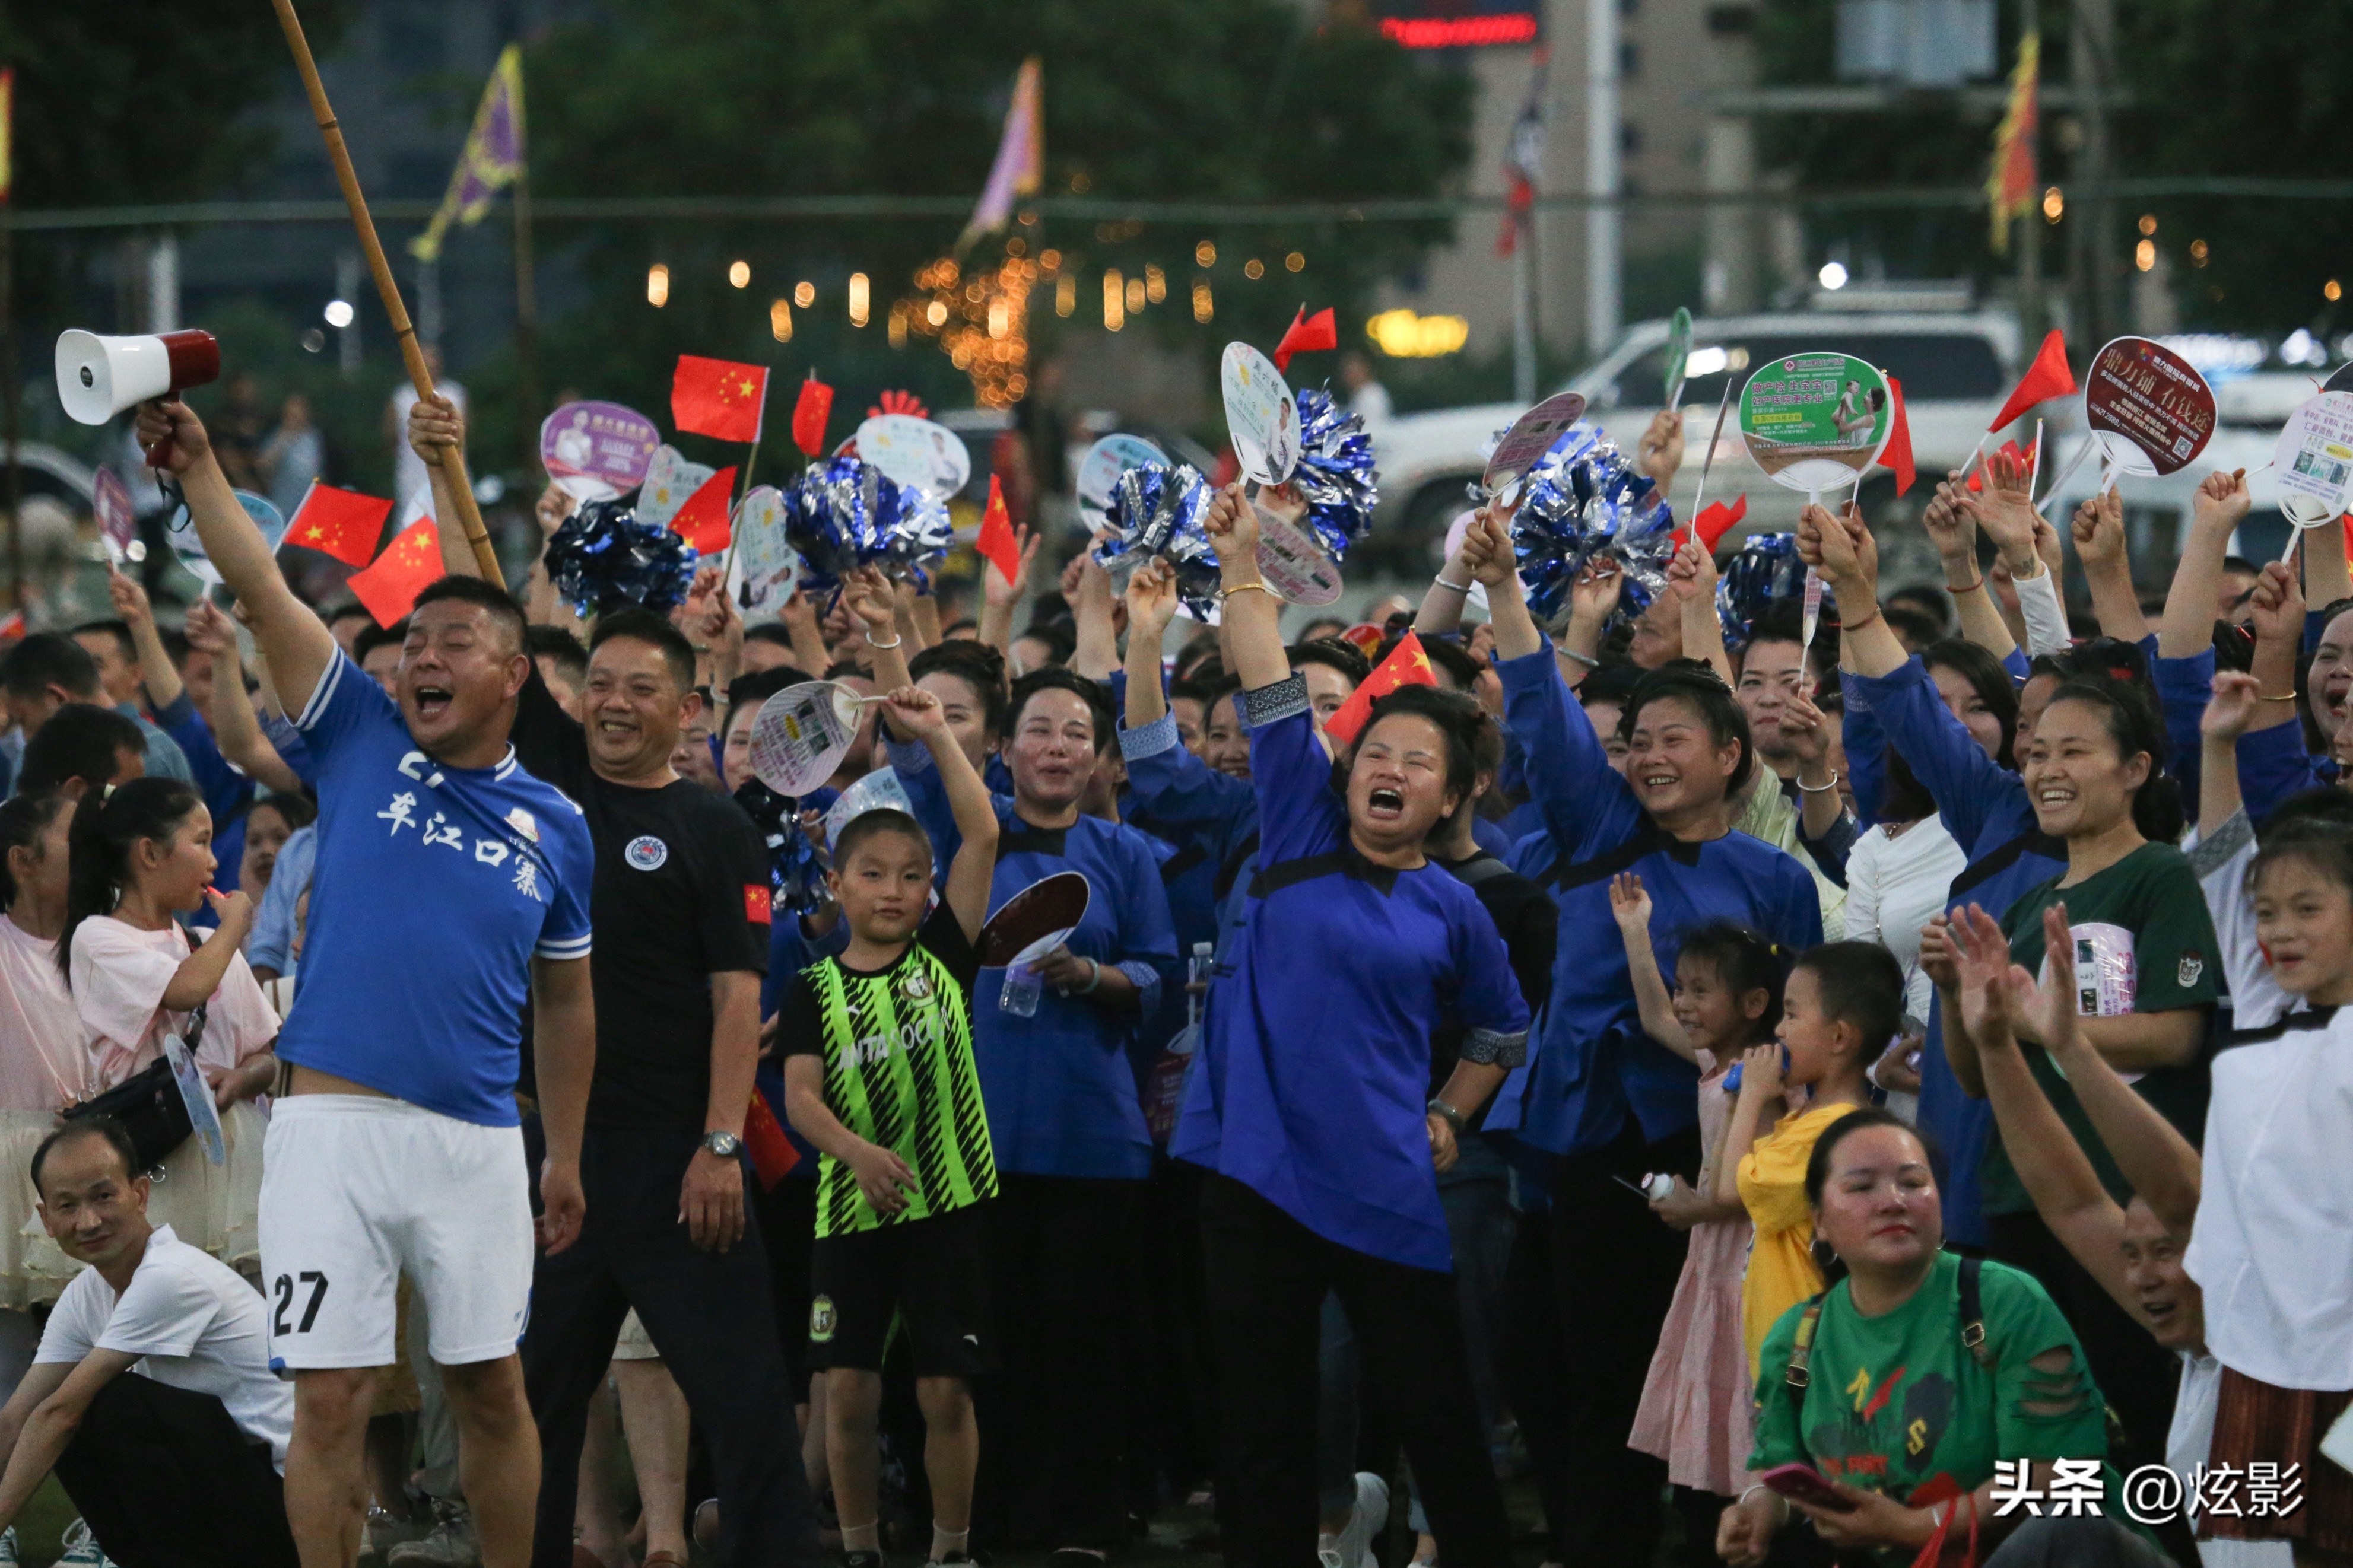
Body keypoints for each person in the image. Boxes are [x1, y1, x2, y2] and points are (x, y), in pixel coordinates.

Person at [135, 396, 596, 1568]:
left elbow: (566, 999)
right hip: (327, 1134)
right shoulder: (358, 734)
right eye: (415, 639)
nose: (423, 655)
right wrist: (199, 471)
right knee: (330, 1397)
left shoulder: (558, 823)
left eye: (454, 641)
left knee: (490, 1385)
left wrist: (563, 1153)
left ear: (514, 674)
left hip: (475, 1140)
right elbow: (265, 587)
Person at [403, 395, 821, 1568]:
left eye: (645, 686)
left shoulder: (712, 826)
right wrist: (445, 464)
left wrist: (720, 1144)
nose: (617, 701)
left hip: (680, 1162)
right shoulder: (546, 778)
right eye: (603, 681)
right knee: (527, 1401)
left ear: (688, 710)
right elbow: (487, 612)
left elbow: (737, 996)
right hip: (555, 1163)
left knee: (745, 1402)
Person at [1174, 485, 1530, 1568]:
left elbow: (1500, 1028)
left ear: (1454, 795)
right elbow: (1268, 679)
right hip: (1255, 1174)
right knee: (1264, 1423)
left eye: (1420, 762)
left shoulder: (1456, 906)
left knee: (1438, 1412)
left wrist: (1449, 1114)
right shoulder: (1295, 823)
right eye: (1378, 752)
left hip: (1383, 1180)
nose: (1392, 770)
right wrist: (1242, 561)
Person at [1463, 505, 1822, 1567]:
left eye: (1675, 739)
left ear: (1732, 755)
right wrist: (1504, 590)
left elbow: (1799, 1025)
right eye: (1638, 741)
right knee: (1600, 1381)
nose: (1650, 757)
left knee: (1727, 1370)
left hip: (1725, 1152)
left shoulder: (1777, 879)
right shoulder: (1597, 825)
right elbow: (1543, 712)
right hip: (1594, 1142)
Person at [869, 605, 1178, 1562]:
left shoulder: (1128, 854)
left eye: (1076, 734)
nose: (1056, 747)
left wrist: (1093, 976)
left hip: (1093, 1140)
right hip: (973, 1137)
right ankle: (978, 1523)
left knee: (1081, 1346)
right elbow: (915, 754)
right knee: (972, 1347)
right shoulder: (971, 832)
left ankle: (1082, 1524)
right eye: (1037, 729)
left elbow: (1160, 976)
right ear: (1003, 749)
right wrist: (886, 640)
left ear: (1102, 758)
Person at [1930, 673, 2218, 1469]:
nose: (2046, 769)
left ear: (2134, 769)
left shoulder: (2160, 873)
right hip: (2021, 1197)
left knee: (2149, 1422)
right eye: (2037, 753)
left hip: (2125, 1205)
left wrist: (2042, 1027)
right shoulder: (2026, 907)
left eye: (2073, 752)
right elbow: (1978, 1076)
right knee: (2043, 1437)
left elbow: (2173, 1035)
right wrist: (1956, 994)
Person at [1947, 900, 2284, 1568]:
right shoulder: (2198, 1352)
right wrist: (1994, 1044)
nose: (2141, 1276)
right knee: (2063, 1534)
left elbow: (2181, 1197)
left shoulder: (2271, 1335)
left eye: (2166, 1251)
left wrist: (2070, 1045)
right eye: (2130, 1254)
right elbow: (2069, 1202)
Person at [1716, 1109, 2167, 1567]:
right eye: (1861, 1187)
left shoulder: (2002, 1300)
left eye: (1913, 1183)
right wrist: (1757, 1510)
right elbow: (1778, 1471)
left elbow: (2060, 1473)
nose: (1893, 1201)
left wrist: (1917, 1526)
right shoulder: (1797, 1339)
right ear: (1819, 1221)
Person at [780, 686, 999, 1568]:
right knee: (849, 1393)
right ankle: (860, 1548)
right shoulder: (813, 989)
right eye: (871, 873)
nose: (894, 890)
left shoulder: (946, 954)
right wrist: (858, 1154)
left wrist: (938, 733)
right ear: (835, 884)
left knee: (946, 1392)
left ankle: (951, 1550)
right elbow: (801, 1098)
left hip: (951, 1207)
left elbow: (981, 833)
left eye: (912, 875)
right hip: (850, 1214)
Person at [0, 1119, 299, 1568]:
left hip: (284, 1501)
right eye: (67, 1205)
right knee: (72, 1412)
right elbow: (17, 1417)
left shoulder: (170, 1276)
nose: (88, 1221)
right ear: (46, 1219)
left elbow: (58, 1413)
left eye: (103, 1196)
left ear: (140, 1193)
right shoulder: (85, 1293)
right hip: (226, 1479)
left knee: (103, 1403)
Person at [2180, 820, 2353, 1562]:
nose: (2279, 931)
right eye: (2265, 913)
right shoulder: (2264, 1017)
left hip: (2344, 1353)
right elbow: (2221, 863)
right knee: (2301, 1553)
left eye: (2306, 909)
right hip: (2268, 1350)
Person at [1611, 902, 1786, 1560]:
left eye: (1699, 990)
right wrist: (1635, 932)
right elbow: (1656, 1018)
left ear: (1753, 1003)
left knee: (1742, 1392)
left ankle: (1745, 1522)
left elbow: (1755, 1183)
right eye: (1680, 986)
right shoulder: (1718, 1064)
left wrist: (1694, 1208)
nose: (1682, 1003)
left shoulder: (1759, 1080)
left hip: (1744, 1262)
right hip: (1712, 1258)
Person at [58, 778, 280, 1273]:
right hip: (162, 1162)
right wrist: (234, 926)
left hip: (240, 1158)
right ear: (150, 853)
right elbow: (185, 989)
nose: (214, 861)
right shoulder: (98, 938)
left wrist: (244, 1077)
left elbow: (269, 1054)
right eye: (200, 842)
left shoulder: (206, 943)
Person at [1716, 940, 1896, 1372]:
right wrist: (1739, 1103)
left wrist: (1751, 1097)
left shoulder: (1826, 1132)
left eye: (1792, 1014)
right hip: (1791, 1351)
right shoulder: (1807, 1120)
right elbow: (1731, 1172)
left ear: (1839, 1037)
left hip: (1804, 1356)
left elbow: (1729, 1192)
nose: (1779, 1030)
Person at [0, 794, 89, 1385]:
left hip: (94, 1159)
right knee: (10, 1359)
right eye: (73, 838)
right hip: (9, 1172)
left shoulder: (103, 943)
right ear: (23, 861)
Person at [2, 635, 190, 788]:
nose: (25, 738)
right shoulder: (163, 749)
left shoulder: (147, 757)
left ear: (57, 698)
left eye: (23, 721)